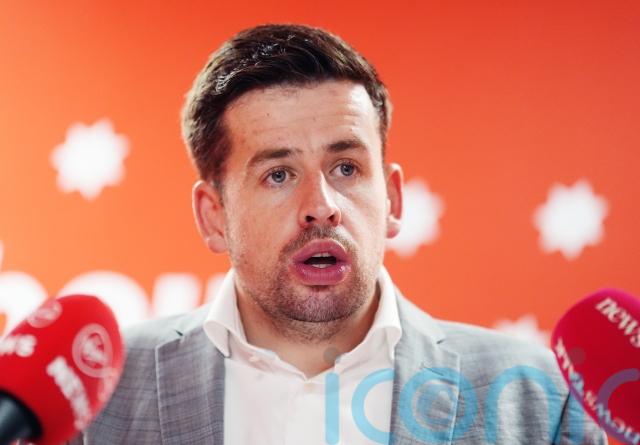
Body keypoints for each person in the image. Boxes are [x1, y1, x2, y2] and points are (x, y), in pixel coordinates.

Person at [70, 24, 606, 444]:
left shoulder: (537, 399)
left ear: (392, 200)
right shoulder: (98, 394)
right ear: (214, 216)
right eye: (278, 175)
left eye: (346, 168)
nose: (321, 207)